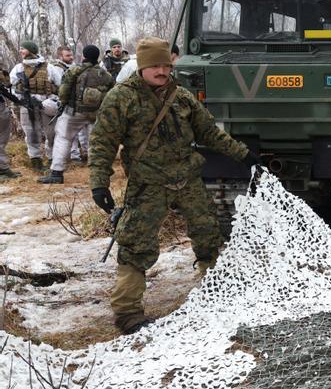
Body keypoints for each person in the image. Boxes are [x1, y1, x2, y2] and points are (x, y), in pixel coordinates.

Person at [89, 37, 257, 335]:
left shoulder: (182, 97)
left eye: (166, 65)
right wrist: (98, 183)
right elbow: (102, 142)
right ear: (142, 66)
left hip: (188, 178)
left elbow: (209, 133)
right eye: (155, 65)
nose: (162, 71)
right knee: (136, 245)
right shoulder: (121, 98)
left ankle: (218, 290)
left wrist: (244, 155)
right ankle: (128, 313)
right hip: (148, 183)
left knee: (209, 235)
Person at [40, 45, 113, 184]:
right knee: (97, 143)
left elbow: (64, 91)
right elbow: (111, 95)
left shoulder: (74, 70)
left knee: (63, 138)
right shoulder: (106, 75)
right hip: (97, 114)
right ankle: (98, 175)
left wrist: (62, 104)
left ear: (84, 56)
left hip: (74, 112)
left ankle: (56, 173)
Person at [9, 40, 64, 172]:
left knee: (51, 133)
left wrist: (56, 100)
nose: (20, 51)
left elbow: (60, 84)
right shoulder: (19, 68)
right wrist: (20, 100)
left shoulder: (49, 67)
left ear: (31, 50)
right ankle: (36, 160)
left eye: (23, 48)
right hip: (27, 104)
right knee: (31, 133)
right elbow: (12, 86)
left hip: (47, 103)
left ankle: (52, 159)